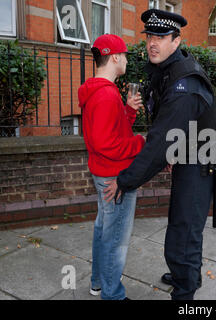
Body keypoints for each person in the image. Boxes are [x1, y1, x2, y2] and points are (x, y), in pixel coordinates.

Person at [103, 9, 216, 300]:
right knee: (182, 221)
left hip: (200, 160)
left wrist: (126, 180)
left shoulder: (184, 85)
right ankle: (185, 273)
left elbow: (158, 143)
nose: (152, 43)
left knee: (183, 232)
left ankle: (185, 291)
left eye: (161, 37)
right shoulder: (168, 70)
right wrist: (174, 152)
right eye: (150, 37)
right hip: (188, 152)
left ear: (176, 41)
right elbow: (168, 131)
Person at [78, 34, 146, 300]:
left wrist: (127, 111)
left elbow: (110, 134)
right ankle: (113, 295)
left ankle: (98, 284)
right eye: (126, 55)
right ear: (115, 57)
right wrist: (141, 143)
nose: (127, 60)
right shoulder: (106, 95)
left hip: (102, 172)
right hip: (113, 177)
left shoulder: (99, 91)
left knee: (103, 230)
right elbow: (107, 144)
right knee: (115, 240)